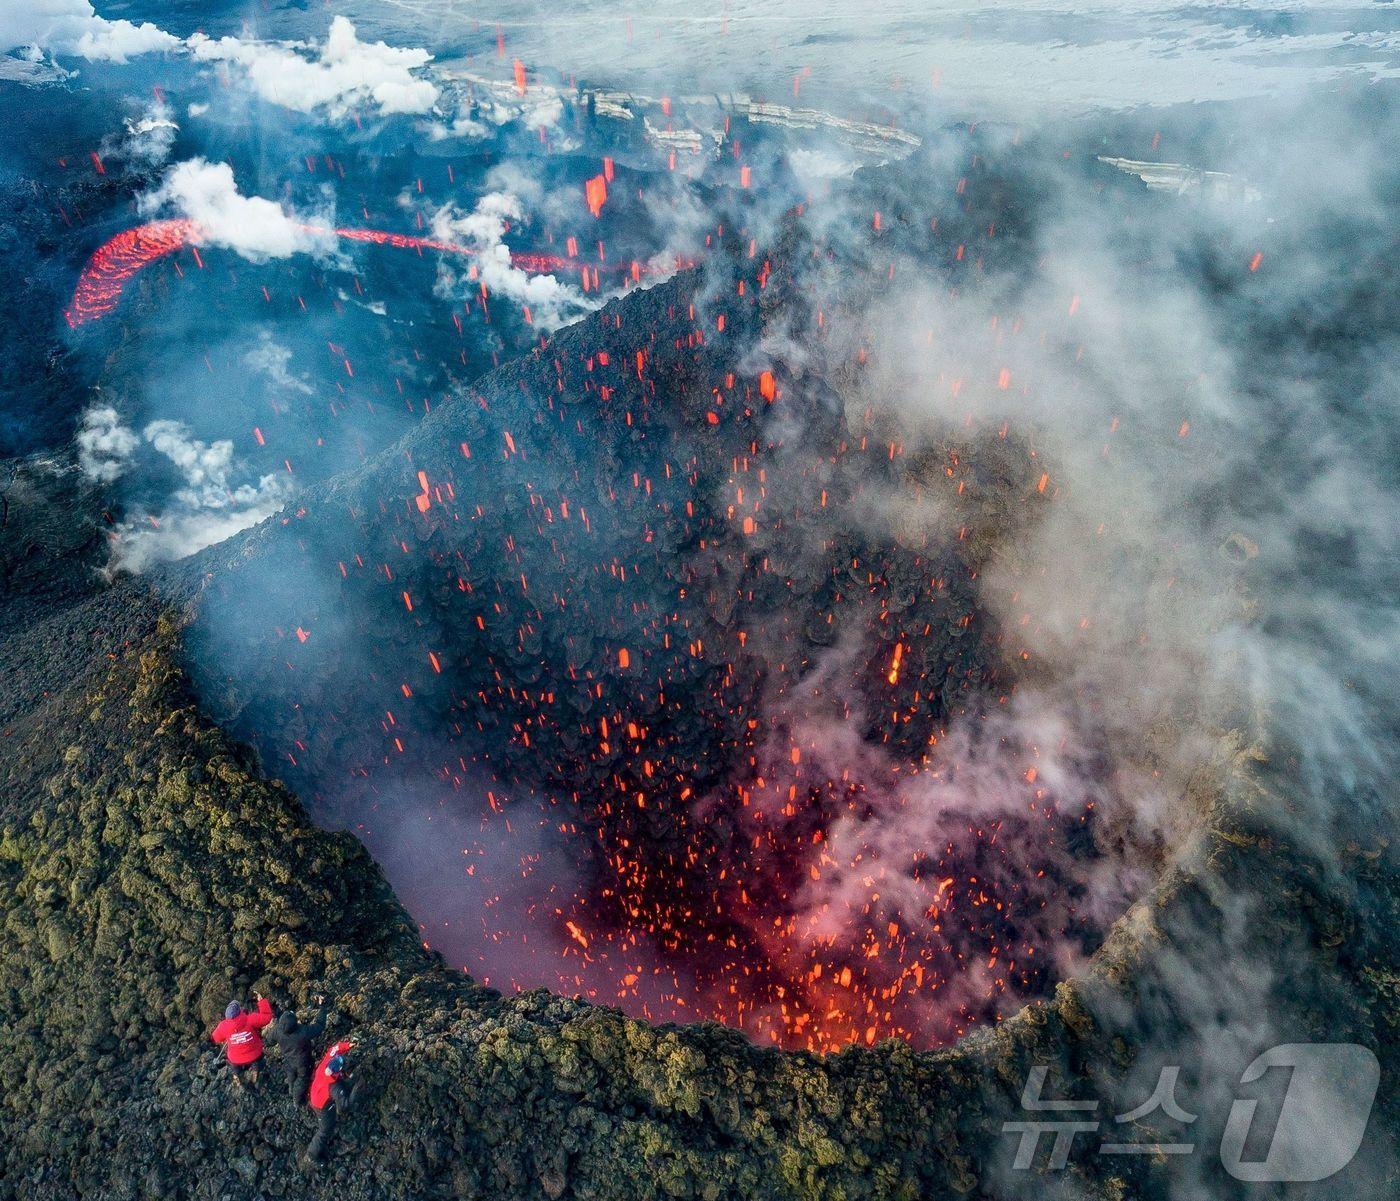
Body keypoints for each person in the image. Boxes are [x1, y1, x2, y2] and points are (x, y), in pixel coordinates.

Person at [307, 1039, 363, 1161]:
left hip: (317, 1090)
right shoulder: (333, 1087)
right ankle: (312, 1153)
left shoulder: (326, 1062)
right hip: (320, 1105)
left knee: (344, 1085)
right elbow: (345, 1105)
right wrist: (357, 1089)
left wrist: (348, 1045)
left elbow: (335, 1049)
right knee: (325, 1130)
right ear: (336, 1071)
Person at [265, 995, 327, 1103]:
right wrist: (322, 1007)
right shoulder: (302, 1032)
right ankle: (297, 1101)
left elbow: (270, 1041)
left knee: (291, 1075)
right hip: (303, 1061)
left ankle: (291, 1090)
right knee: (302, 1079)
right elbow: (319, 1025)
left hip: (288, 1059)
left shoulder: (277, 1030)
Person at [210, 992, 274, 1086]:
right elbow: (267, 1017)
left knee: (233, 1063)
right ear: (240, 1011)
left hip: (236, 1058)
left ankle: (236, 1074)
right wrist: (261, 1001)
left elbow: (215, 1038)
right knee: (258, 1060)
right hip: (254, 1054)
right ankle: (256, 1070)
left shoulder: (223, 1026)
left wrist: (229, 1036)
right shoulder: (250, 1019)